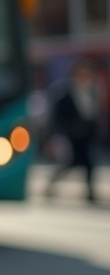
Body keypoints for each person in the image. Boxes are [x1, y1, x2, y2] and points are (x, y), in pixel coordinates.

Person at [47, 59, 103, 202]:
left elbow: (95, 112)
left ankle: (89, 192)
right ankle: (54, 183)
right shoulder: (65, 92)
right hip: (73, 134)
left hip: (88, 133)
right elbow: (58, 116)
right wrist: (57, 134)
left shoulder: (92, 90)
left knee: (87, 163)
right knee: (76, 163)